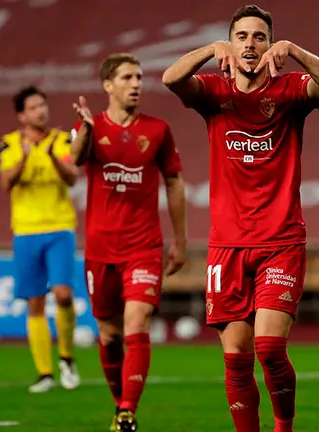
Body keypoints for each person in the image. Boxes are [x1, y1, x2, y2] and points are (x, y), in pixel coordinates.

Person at [162, 4, 319, 431]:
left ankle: (284, 426)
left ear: (269, 45)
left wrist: (294, 49)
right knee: (236, 357)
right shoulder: (214, 92)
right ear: (231, 43)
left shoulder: (291, 90)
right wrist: (210, 47)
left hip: (279, 240)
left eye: (259, 36)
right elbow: (171, 79)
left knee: (268, 347)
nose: (250, 44)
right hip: (226, 245)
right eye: (241, 36)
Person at [71, 53, 187, 432]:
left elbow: (173, 181)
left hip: (143, 246)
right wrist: (87, 130)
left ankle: (127, 412)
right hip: (100, 249)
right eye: (127, 77)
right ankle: (120, 402)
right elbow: (75, 159)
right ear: (108, 85)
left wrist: (180, 239)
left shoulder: (157, 130)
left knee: (137, 321)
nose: (136, 83)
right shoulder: (89, 127)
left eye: (138, 77)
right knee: (108, 332)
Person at [0, 86, 81, 394]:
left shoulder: (61, 140)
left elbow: (72, 176)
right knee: (35, 301)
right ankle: (45, 373)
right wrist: (26, 157)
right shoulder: (9, 144)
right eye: (33, 108)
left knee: (62, 294)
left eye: (42, 106)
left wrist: (50, 157)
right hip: (26, 229)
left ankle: (67, 358)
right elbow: (7, 182)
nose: (40, 112)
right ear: (22, 115)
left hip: (60, 226)